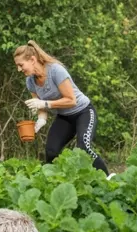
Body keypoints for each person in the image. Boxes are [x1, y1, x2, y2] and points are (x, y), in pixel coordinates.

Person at [14, 40, 110, 175]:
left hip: (83, 112)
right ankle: (54, 182)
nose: (19, 69)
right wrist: (41, 119)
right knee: (51, 151)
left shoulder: (55, 71)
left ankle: (108, 178)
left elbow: (71, 100)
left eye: (20, 65)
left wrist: (45, 104)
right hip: (64, 117)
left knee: (84, 147)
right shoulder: (30, 81)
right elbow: (39, 105)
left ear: (32, 60)